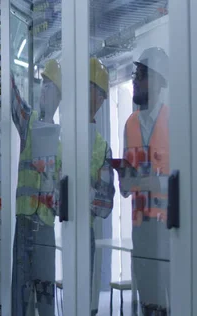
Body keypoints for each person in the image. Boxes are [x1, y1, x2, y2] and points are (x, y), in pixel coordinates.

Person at [10, 58, 114, 315]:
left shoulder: (93, 146)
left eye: (88, 88)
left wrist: (80, 193)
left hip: (64, 229)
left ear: (100, 98)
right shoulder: (56, 134)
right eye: (43, 85)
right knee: (21, 300)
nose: (45, 91)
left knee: (71, 302)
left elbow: (104, 205)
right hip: (39, 225)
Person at [118, 47, 170, 315]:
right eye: (135, 75)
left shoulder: (175, 122)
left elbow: (185, 183)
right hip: (141, 233)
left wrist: (155, 184)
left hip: (169, 232)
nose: (134, 81)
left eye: (141, 75)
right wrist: (123, 182)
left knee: (170, 303)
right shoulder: (129, 124)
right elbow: (126, 189)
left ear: (158, 81)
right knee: (148, 305)